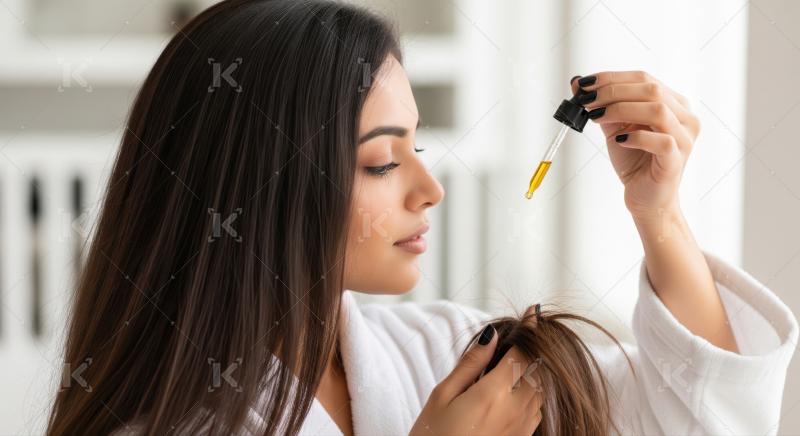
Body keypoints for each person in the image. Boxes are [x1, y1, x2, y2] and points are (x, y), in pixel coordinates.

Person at [45, 1, 798, 435]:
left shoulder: (444, 351)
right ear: (259, 192)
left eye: (418, 148)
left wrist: (657, 212)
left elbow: (689, 420)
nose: (430, 189)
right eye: (382, 160)